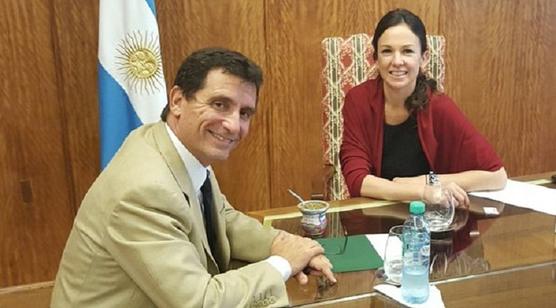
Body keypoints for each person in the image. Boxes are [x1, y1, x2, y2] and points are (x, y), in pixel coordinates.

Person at [51, 47, 335, 308]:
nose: (234, 125)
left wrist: (287, 245)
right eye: (220, 104)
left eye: (245, 112)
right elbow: (199, 302)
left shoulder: (173, 144)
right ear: (177, 100)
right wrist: (283, 263)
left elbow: (223, 218)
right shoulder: (143, 190)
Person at [340, 9, 507, 206]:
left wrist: (427, 181)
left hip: (430, 220)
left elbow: (497, 176)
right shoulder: (358, 100)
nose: (397, 61)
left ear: (424, 58)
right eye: (387, 51)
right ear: (375, 58)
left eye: (407, 51)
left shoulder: (439, 106)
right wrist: (423, 191)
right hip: (374, 214)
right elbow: (357, 181)